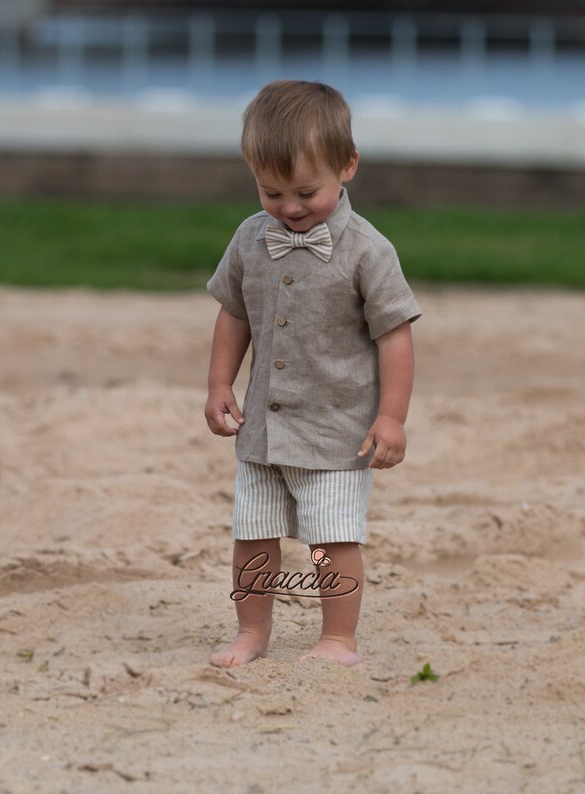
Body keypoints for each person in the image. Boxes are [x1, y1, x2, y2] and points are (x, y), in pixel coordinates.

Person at [204, 80, 421, 667]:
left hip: (337, 429)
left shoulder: (368, 250)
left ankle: (337, 638)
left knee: (331, 539)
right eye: (271, 192)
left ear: (348, 166)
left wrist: (392, 417)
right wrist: (220, 383)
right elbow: (234, 313)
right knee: (252, 532)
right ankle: (252, 631)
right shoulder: (250, 238)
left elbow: (394, 335)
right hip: (265, 427)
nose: (290, 207)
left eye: (306, 191)